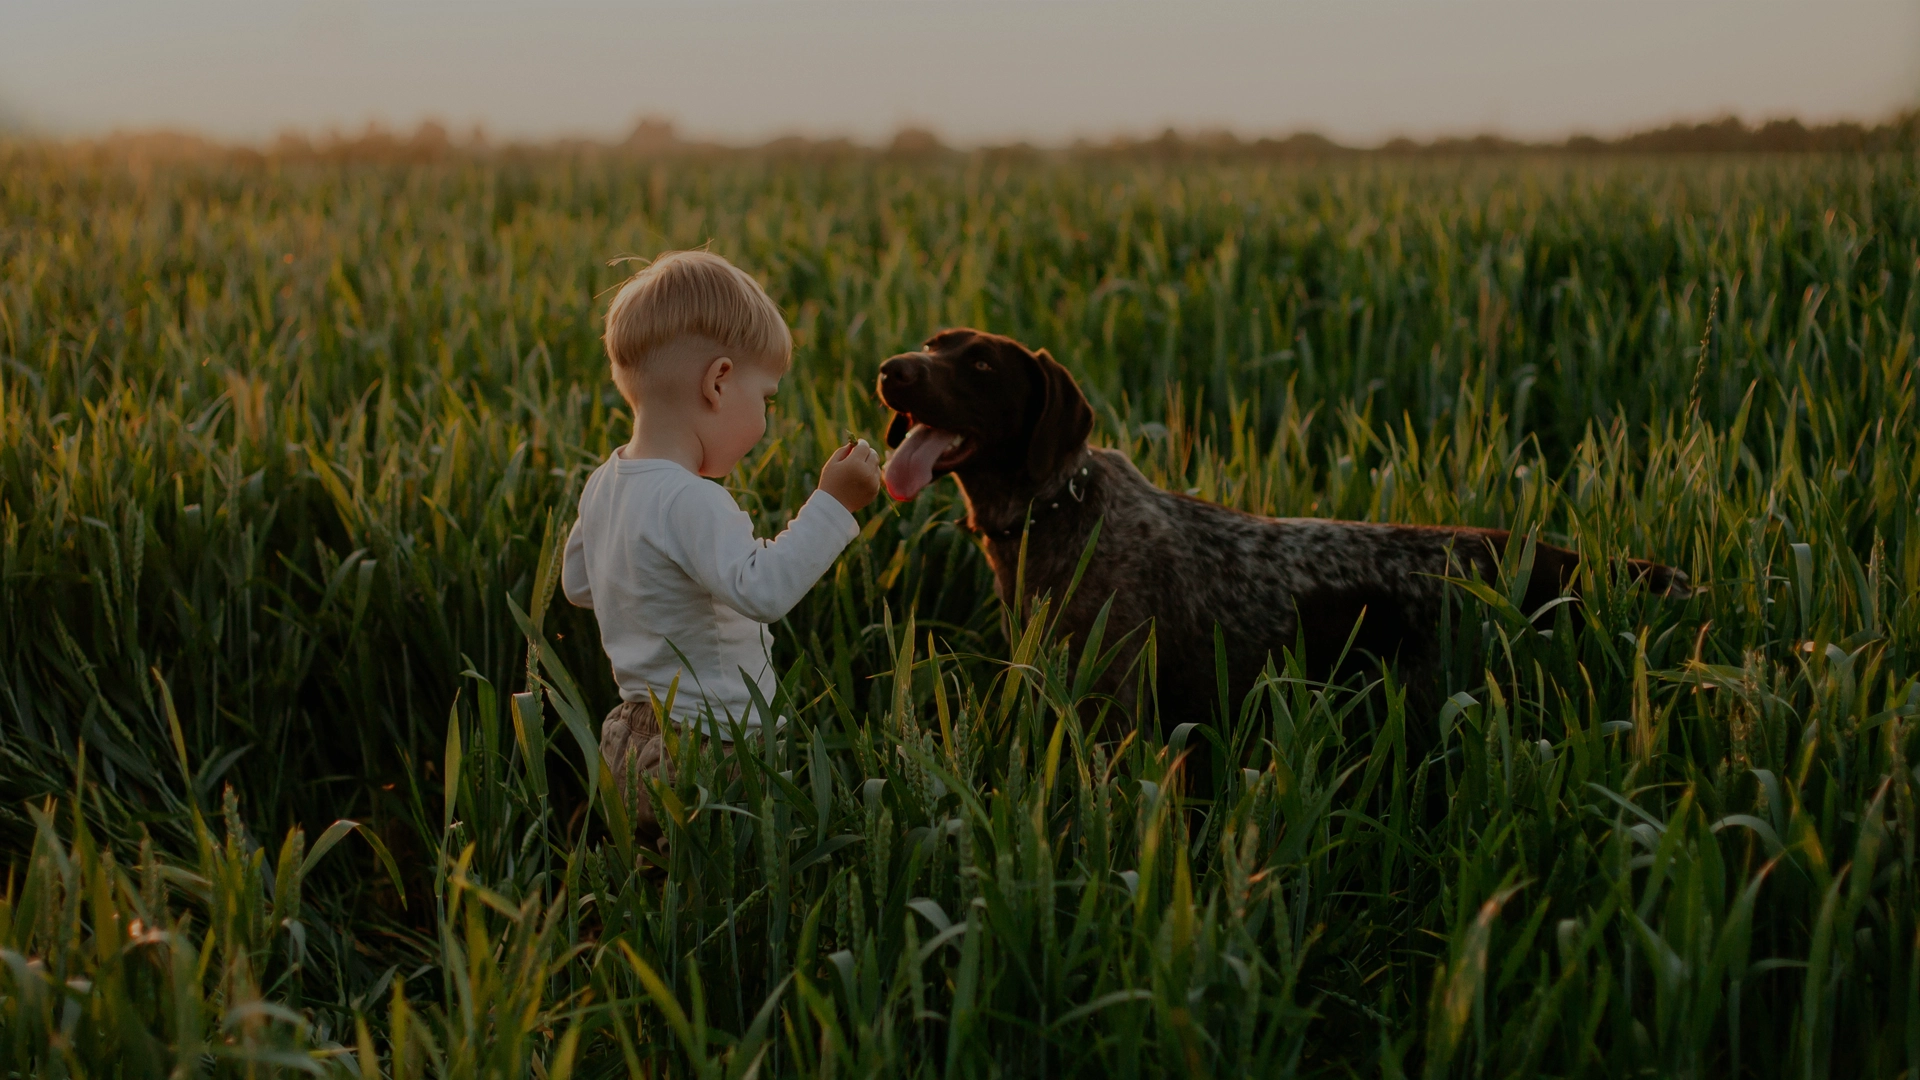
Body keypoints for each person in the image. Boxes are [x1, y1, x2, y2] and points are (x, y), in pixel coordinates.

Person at [562, 249, 881, 846]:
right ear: (718, 381)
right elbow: (762, 590)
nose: (766, 419)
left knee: (658, 889)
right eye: (767, 399)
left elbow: (580, 585)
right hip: (714, 748)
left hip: (629, 738)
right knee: (732, 900)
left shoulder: (605, 482)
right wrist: (833, 505)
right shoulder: (691, 499)